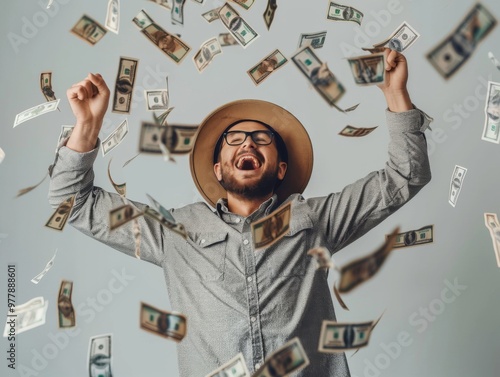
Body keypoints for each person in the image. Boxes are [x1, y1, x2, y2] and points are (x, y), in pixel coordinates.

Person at [49, 48, 431, 377]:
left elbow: (404, 177)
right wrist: (87, 125)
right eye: (235, 138)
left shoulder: (316, 219)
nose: (248, 142)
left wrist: (395, 93)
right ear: (218, 170)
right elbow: (74, 202)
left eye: (262, 138)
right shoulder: (174, 232)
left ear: (280, 168)